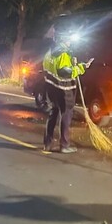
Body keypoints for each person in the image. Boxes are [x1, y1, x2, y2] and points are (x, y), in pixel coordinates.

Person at [42, 25, 93, 154]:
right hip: (64, 90)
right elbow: (65, 72)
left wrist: (71, 62)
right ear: (64, 39)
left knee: (53, 113)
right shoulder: (63, 54)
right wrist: (81, 67)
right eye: (69, 39)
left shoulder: (50, 51)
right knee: (66, 115)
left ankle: (47, 143)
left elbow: (47, 66)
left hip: (51, 88)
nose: (70, 41)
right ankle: (64, 145)